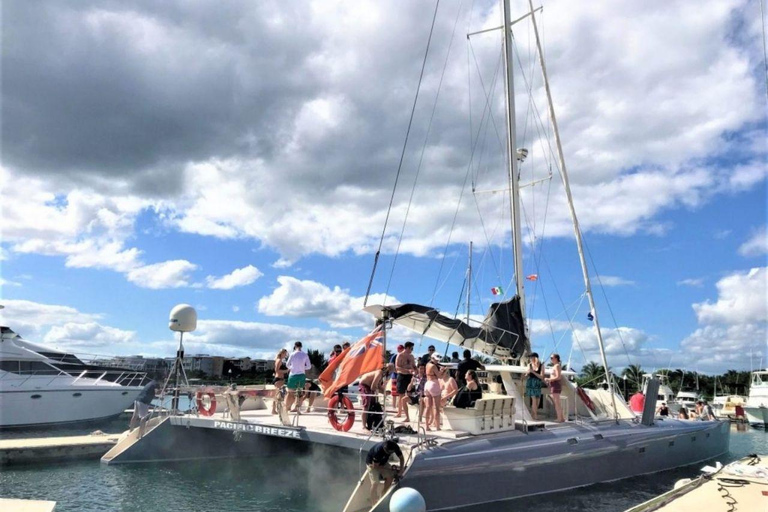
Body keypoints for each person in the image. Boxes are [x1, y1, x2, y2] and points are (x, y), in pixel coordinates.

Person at [365, 440, 404, 504]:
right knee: (375, 483)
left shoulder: (395, 447)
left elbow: (401, 458)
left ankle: (381, 497)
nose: (388, 453)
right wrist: (390, 468)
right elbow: (376, 467)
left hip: (383, 462)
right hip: (372, 464)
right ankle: (373, 502)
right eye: (387, 451)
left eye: (390, 452)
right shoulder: (378, 451)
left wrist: (401, 470)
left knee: (390, 477)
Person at [359, 364, 392, 430]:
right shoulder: (379, 373)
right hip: (365, 385)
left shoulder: (382, 375)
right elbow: (373, 387)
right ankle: (363, 426)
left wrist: (385, 392)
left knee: (373, 404)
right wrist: (383, 392)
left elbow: (378, 386)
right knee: (366, 405)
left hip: (369, 386)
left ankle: (372, 423)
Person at [285, 341, 311, 414]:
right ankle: (298, 409)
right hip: (301, 375)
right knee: (299, 393)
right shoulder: (305, 354)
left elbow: (287, 364)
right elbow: (309, 366)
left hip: (293, 375)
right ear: (301, 346)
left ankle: (286, 409)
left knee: (289, 393)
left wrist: (292, 367)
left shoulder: (292, 354)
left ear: (295, 346)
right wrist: (302, 367)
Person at [395, 342, 417, 422]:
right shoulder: (400, 355)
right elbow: (397, 367)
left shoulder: (411, 356)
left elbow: (414, 365)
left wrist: (416, 370)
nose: (412, 350)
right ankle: (399, 412)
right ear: (407, 348)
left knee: (409, 394)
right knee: (401, 394)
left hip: (410, 376)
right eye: (411, 348)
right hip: (402, 375)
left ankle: (407, 412)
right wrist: (407, 370)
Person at [424, 354, 444, 431]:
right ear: (432, 358)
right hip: (434, 384)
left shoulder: (427, 364)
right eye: (436, 359)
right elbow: (440, 377)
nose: (437, 361)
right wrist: (443, 371)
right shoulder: (434, 366)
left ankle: (427, 426)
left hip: (427, 384)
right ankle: (437, 426)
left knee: (428, 406)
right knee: (436, 407)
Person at [525, 352, 545, 420]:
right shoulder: (529, 365)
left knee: (538, 400)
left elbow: (542, 377)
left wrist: (533, 372)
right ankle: (535, 415)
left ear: (535, 358)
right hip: (531, 383)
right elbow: (527, 373)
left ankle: (532, 414)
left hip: (538, 383)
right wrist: (526, 374)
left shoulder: (541, 365)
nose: (530, 358)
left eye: (531, 357)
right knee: (534, 400)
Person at [545, 353, 565, 422]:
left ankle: (559, 418)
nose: (551, 359)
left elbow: (558, 377)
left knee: (557, 403)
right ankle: (561, 418)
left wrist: (549, 379)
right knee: (557, 402)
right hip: (554, 384)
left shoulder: (557, 366)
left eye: (552, 358)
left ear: (556, 358)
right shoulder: (556, 366)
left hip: (555, 385)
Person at [271, 348, 289, 414]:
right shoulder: (279, 360)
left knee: (279, 395)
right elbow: (277, 370)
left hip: (280, 379)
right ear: (281, 353)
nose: (286, 355)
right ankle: (273, 410)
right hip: (278, 379)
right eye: (285, 353)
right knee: (277, 395)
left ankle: (275, 409)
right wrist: (286, 371)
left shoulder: (279, 360)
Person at [389, 345, 404, 410]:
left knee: (400, 393)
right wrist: (397, 371)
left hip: (402, 376)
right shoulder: (395, 356)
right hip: (395, 376)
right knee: (394, 393)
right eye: (399, 349)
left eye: (402, 349)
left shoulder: (404, 356)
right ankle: (394, 407)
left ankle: (399, 407)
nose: (401, 350)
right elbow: (391, 365)